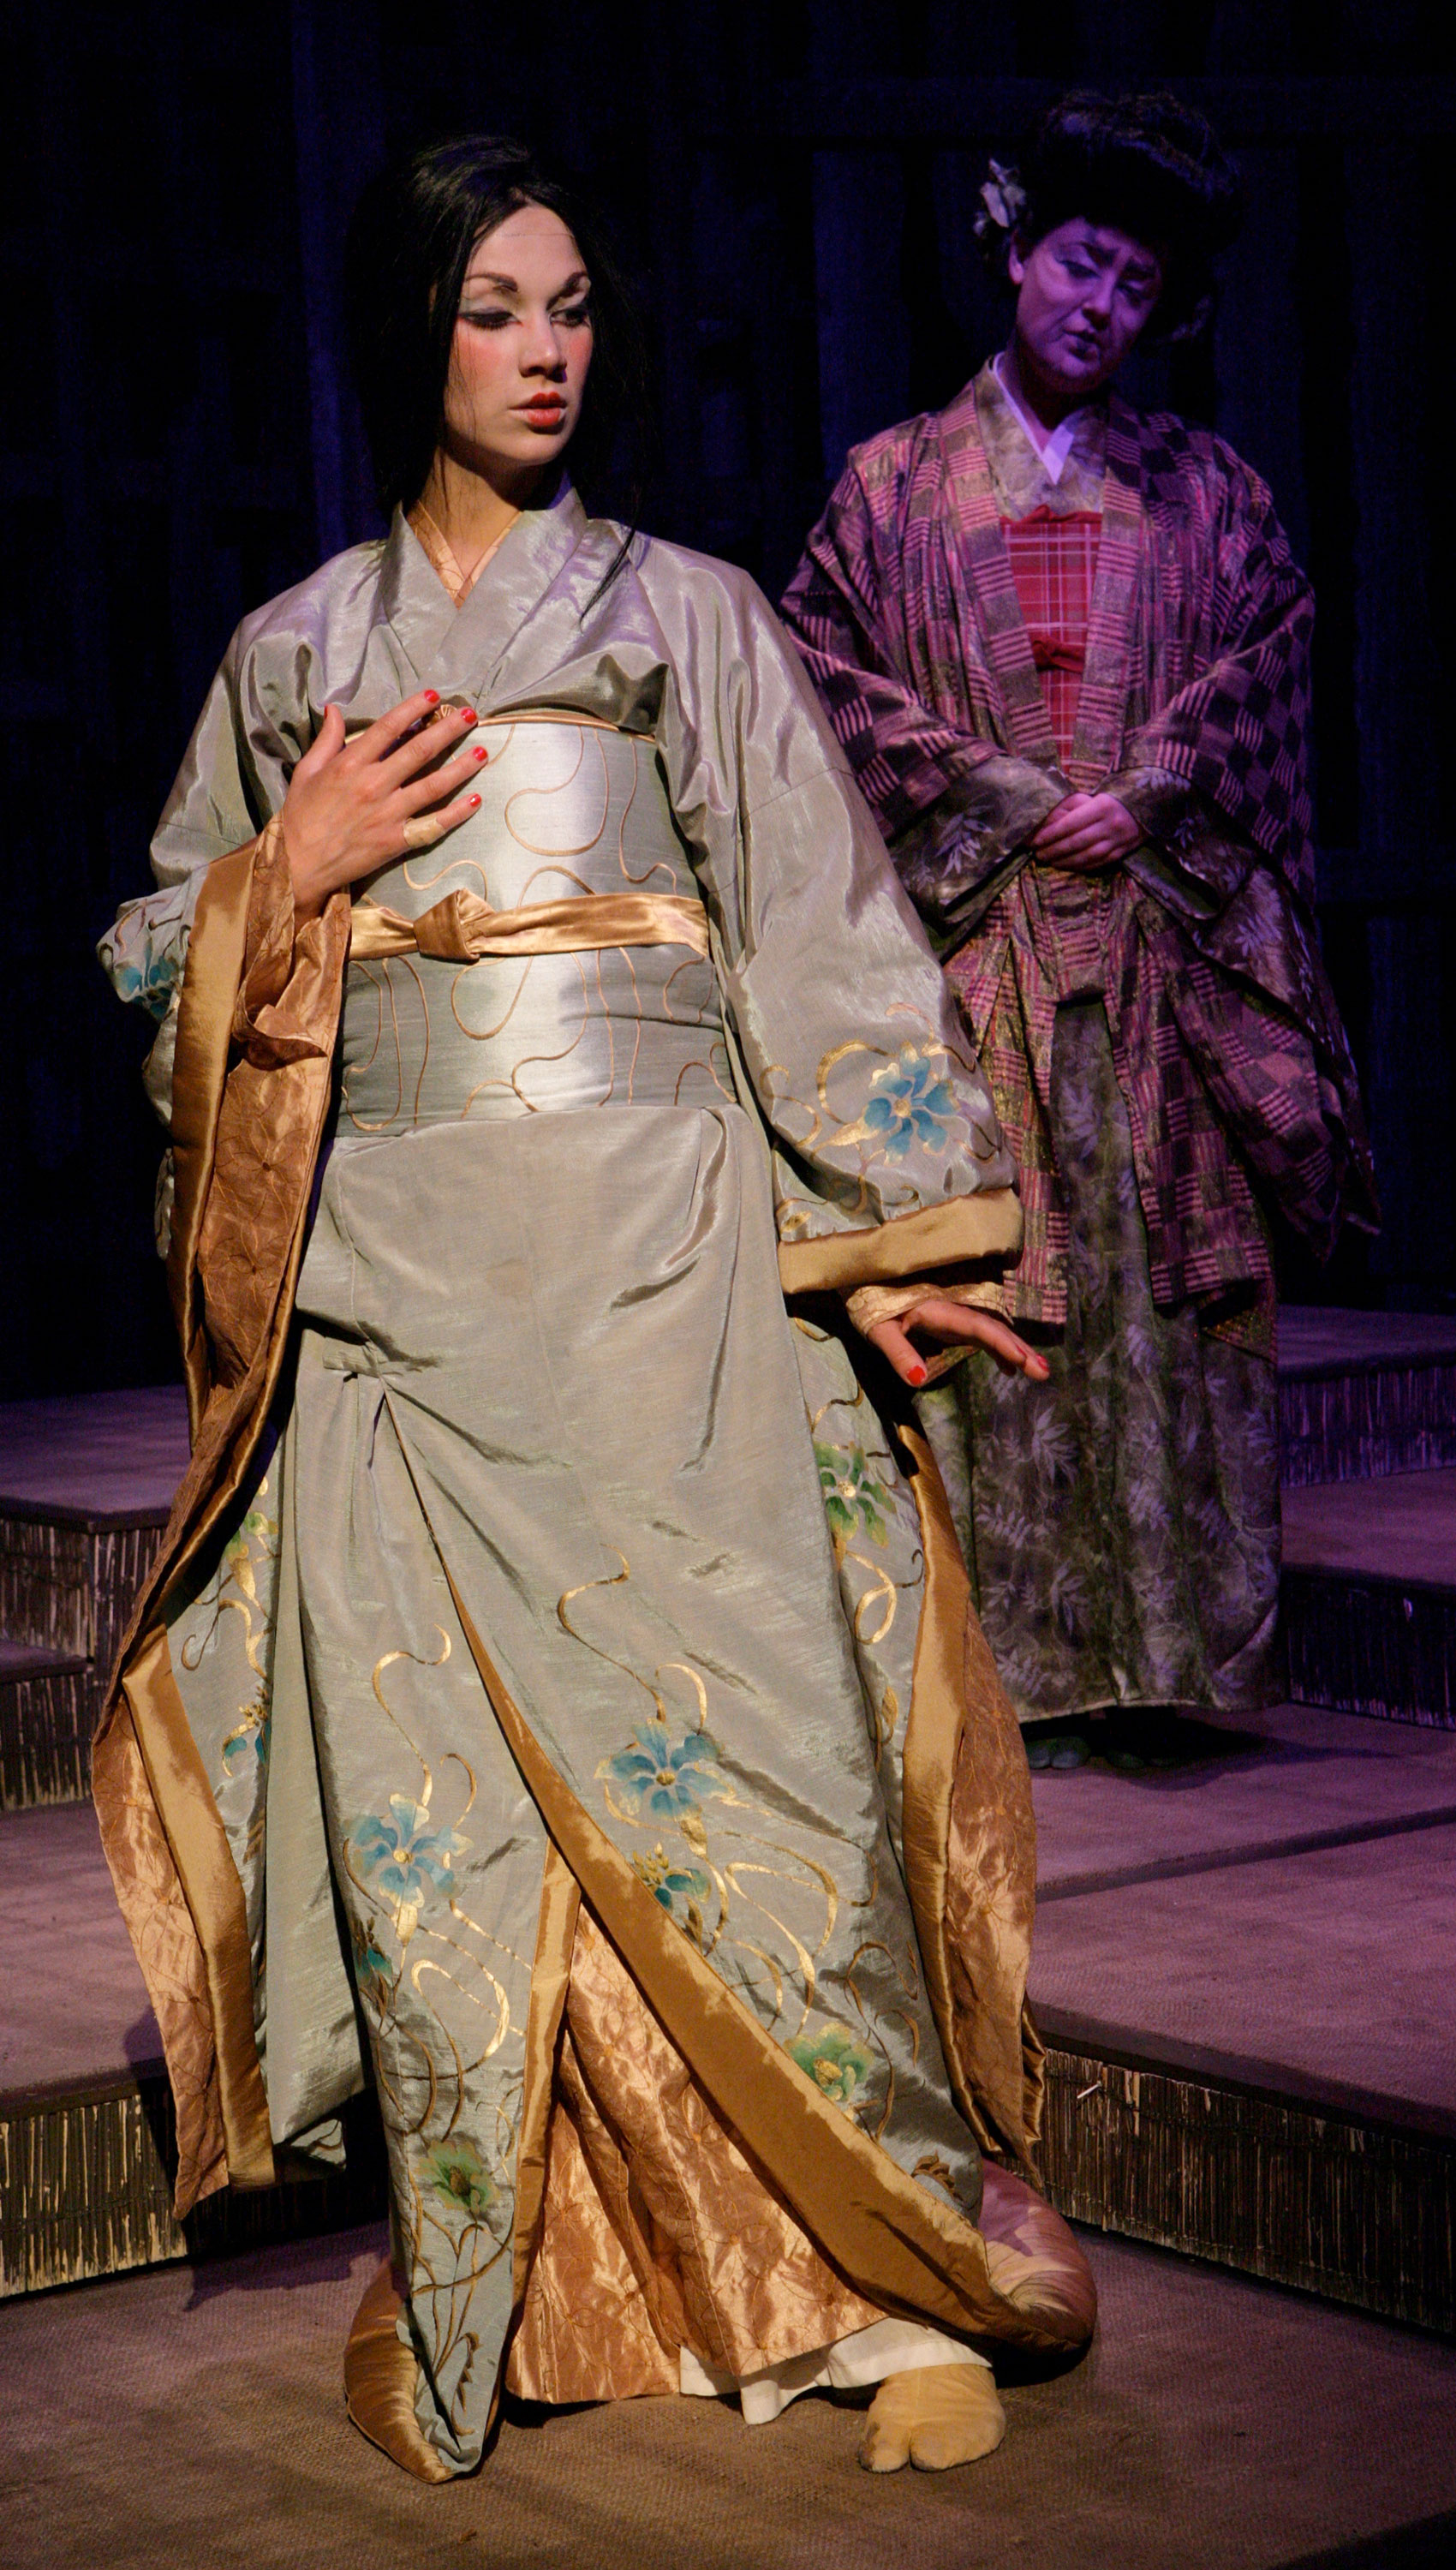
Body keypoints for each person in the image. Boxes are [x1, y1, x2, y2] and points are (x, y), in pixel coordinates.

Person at [96, 135, 1095, 2484]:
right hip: (392, 1303)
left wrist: (894, 1243)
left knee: (757, 1772)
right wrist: (286, 872)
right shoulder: (292, 659)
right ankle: (518, 2272)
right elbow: (156, 977)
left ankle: (860, 2278)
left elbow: (825, 943)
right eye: (491, 307)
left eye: (568, 306)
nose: (546, 349)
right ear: (405, 333)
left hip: (663, 1275)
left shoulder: (692, 620)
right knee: (456, 1839)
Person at [781, 91, 1375, 1772]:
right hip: (979, 960)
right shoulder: (891, 490)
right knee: (996, 1295)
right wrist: (998, 790)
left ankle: (1170, 1656)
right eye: (1079, 264)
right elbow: (826, 687)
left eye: (1135, 287)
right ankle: (1010, 1675)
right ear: (1015, 251)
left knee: (1166, 1294)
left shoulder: (1209, 495)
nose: (1100, 306)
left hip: (1153, 956)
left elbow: (1265, 670)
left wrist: (1162, 782)